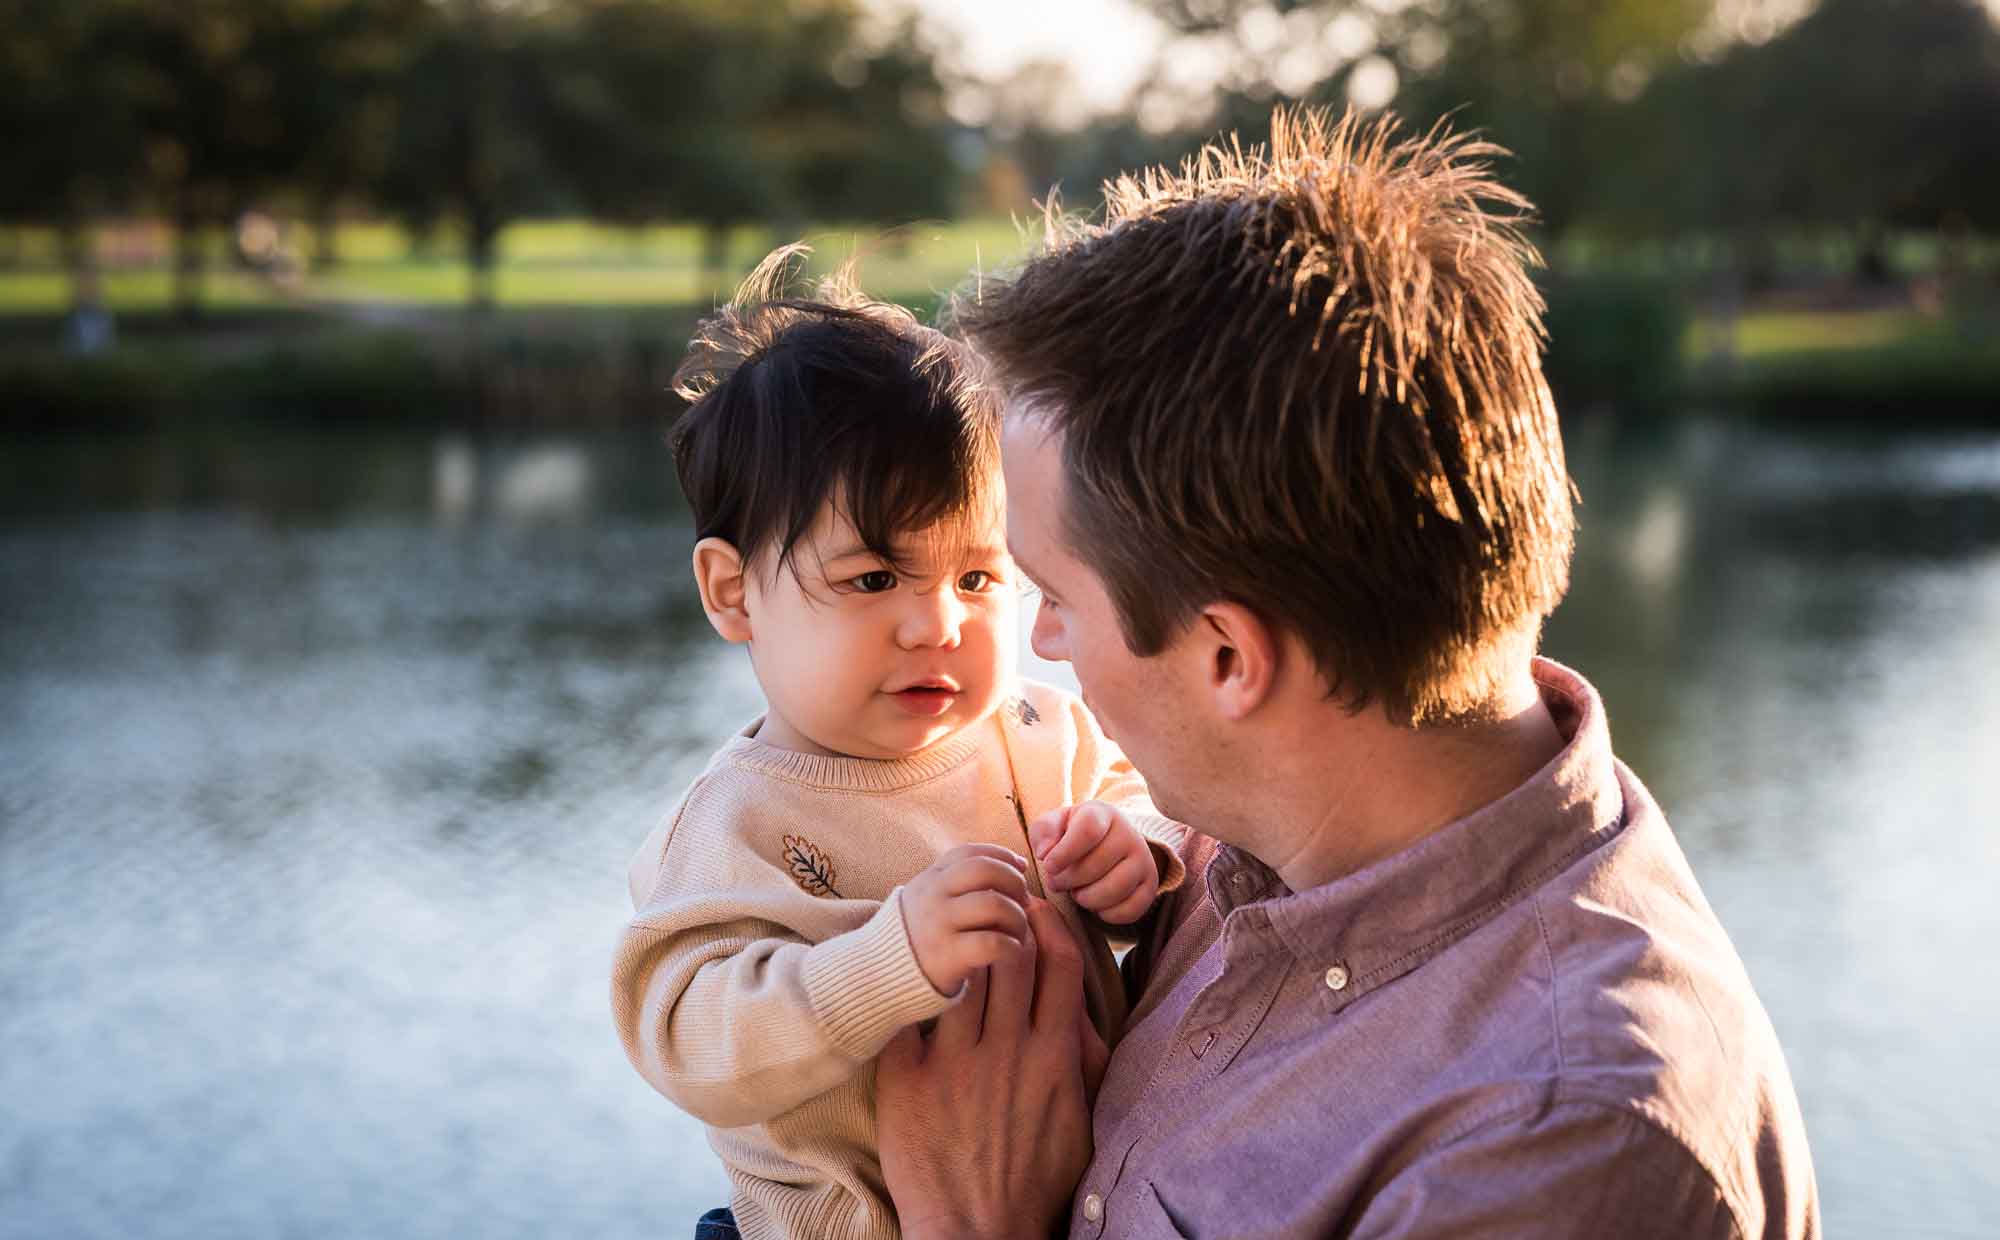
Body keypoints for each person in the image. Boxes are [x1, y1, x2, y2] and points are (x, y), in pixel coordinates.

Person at [874, 108, 1820, 1238]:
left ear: (1229, 659)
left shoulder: (1563, 1142)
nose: (1041, 646)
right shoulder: (1243, 838)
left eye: (1056, 598)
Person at [609, 247, 1189, 1240]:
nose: (937, 625)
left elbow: (1155, 798)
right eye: (874, 580)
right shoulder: (739, 819)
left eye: (976, 578)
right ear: (731, 591)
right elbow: (690, 1041)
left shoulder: (1040, 733)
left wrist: (1132, 846)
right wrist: (890, 957)